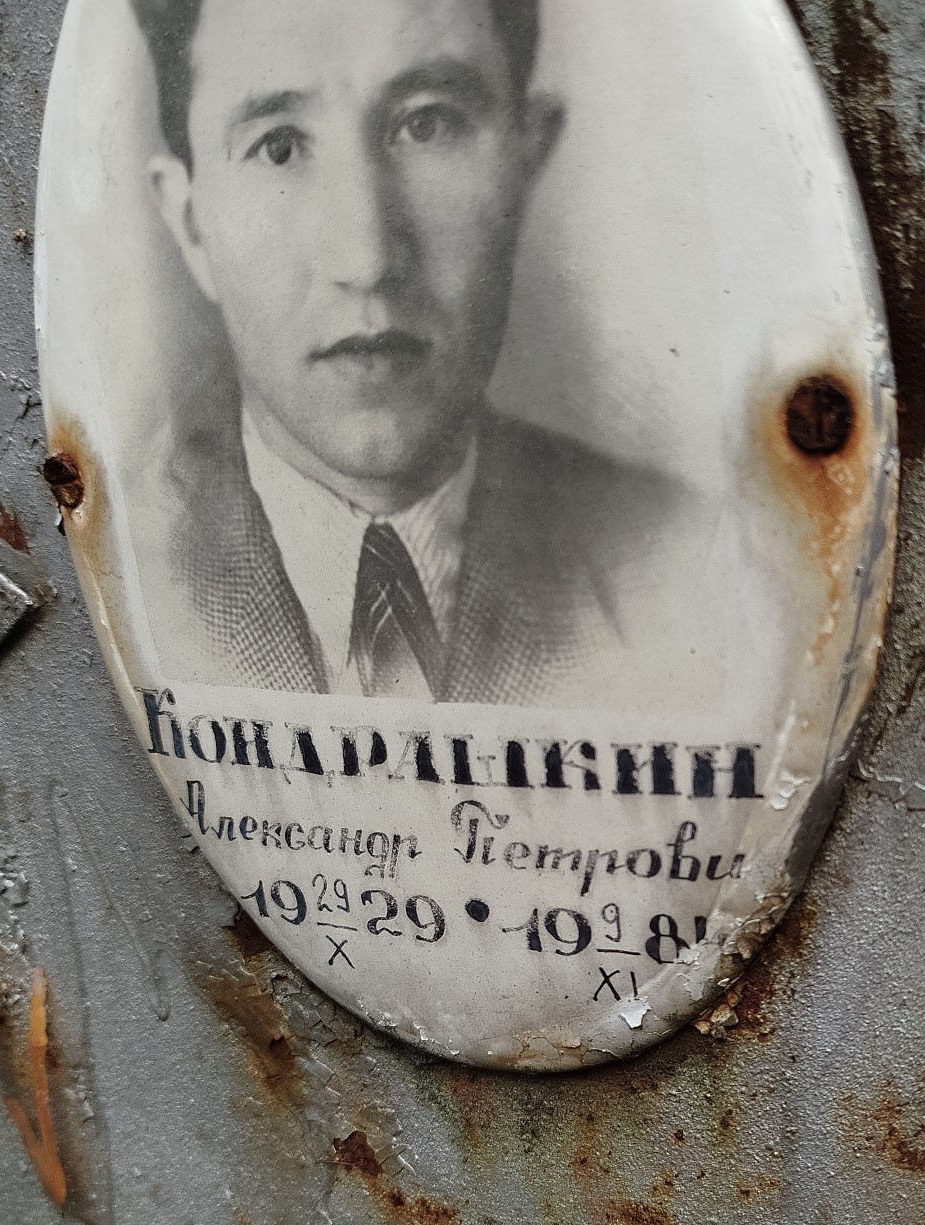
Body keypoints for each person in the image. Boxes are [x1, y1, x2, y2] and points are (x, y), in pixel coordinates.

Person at [129, 0, 722, 706]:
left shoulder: (697, 563)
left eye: (427, 125)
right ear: (191, 224)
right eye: (279, 146)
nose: (368, 258)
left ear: (526, 163)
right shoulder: (122, 564)